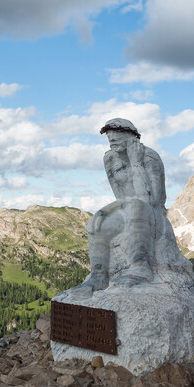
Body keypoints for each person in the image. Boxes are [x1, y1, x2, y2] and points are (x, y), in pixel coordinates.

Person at [71, 118, 169, 298]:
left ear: (131, 137)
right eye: (109, 137)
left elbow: (149, 199)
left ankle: (140, 266)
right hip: (129, 210)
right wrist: (105, 211)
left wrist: (135, 162)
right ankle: (98, 276)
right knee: (98, 223)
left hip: (153, 216)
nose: (111, 140)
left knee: (138, 206)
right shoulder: (110, 159)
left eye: (116, 136)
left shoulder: (149, 157)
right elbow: (121, 198)